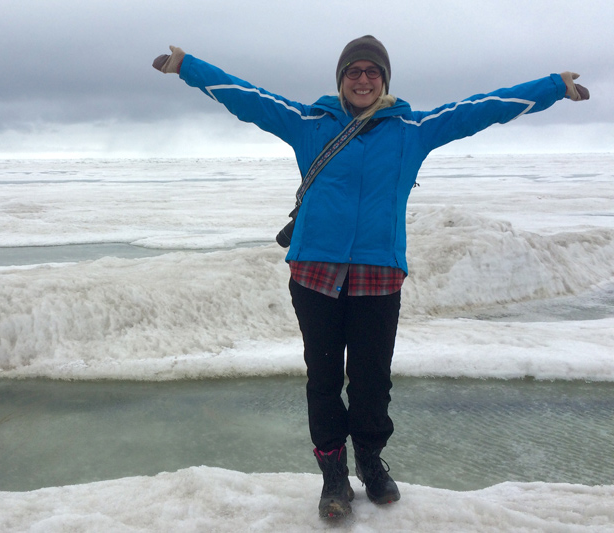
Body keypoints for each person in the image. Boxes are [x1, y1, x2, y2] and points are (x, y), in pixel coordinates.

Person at [152, 36, 589, 519]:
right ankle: (334, 476)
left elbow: (480, 109)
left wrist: (552, 87)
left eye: (371, 72)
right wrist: (187, 66)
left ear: (384, 79)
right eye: (353, 72)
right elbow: (247, 97)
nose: (362, 80)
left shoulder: (412, 129)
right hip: (315, 273)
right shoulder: (308, 123)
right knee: (322, 378)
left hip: (378, 277)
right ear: (340, 80)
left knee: (371, 381)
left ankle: (371, 461)